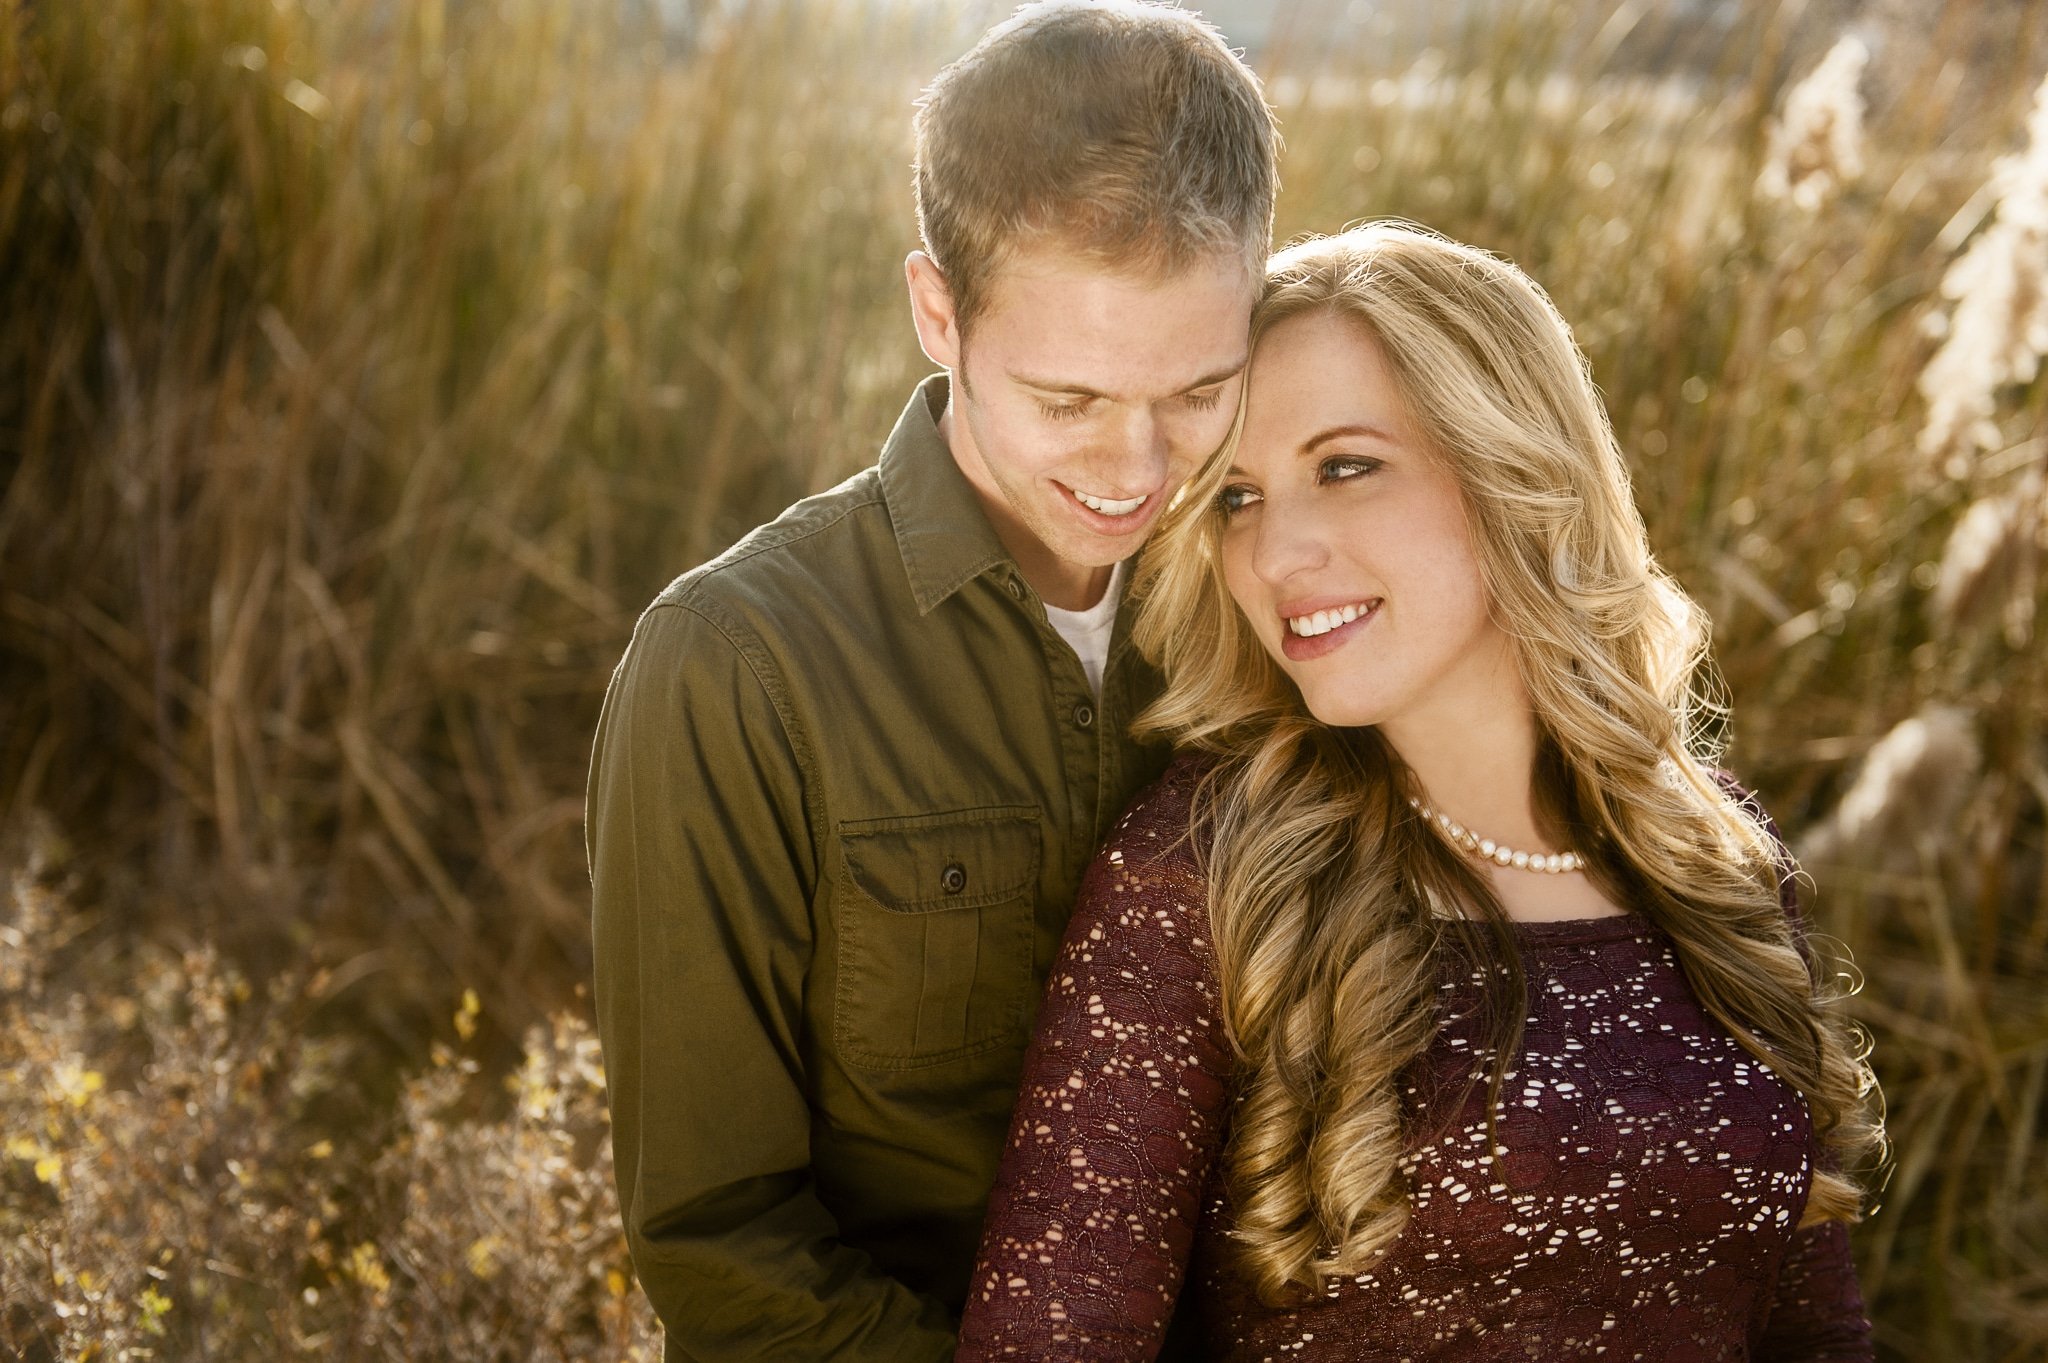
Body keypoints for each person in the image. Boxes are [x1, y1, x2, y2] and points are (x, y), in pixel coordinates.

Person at [956, 223, 1886, 1361]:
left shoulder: (1711, 851)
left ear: (1514, 473)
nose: (1275, 551)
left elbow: (1815, 1327)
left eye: (1345, 467)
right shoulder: (1204, 872)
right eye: (1236, 498)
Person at [585, 4, 1279, 1358]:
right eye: (1070, 399)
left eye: (1200, 388)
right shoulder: (737, 665)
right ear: (936, 312)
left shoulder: (1278, 615)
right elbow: (720, 1242)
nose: (1138, 466)